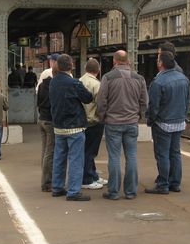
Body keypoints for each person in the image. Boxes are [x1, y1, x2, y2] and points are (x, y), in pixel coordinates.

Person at [97, 50, 148, 200]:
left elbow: (101, 101)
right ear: (129, 62)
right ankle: (131, 191)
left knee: (114, 157)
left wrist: (102, 117)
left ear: (114, 61)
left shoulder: (107, 77)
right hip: (131, 123)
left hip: (113, 123)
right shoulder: (139, 78)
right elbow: (145, 101)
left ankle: (113, 192)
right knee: (131, 156)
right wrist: (140, 116)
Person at [49, 53, 93, 201]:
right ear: (71, 65)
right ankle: (73, 191)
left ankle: (57, 187)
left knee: (59, 157)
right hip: (74, 126)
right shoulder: (74, 83)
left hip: (58, 126)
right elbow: (88, 98)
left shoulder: (53, 82)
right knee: (75, 159)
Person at [145, 50, 190, 194]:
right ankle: (175, 183)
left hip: (163, 123)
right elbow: (187, 101)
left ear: (161, 63)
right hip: (179, 122)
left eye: (158, 60)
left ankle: (163, 184)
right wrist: (183, 116)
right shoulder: (184, 79)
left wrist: (151, 120)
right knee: (175, 153)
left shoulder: (158, 82)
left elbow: (154, 106)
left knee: (162, 154)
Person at [79, 58, 106, 190]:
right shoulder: (97, 84)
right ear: (98, 70)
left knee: (87, 150)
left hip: (81, 120)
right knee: (90, 151)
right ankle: (87, 179)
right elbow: (101, 104)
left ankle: (93, 175)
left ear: (85, 69)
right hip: (93, 121)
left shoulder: (80, 81)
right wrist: (102, 117)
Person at [37, 63, 56, 192]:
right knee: (50, 152)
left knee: (45, 151)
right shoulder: (53, 87)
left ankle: (45, 179)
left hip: (41, 119)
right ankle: (47, 182)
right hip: (50, 121)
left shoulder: (42, 86)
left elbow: (38, 102)